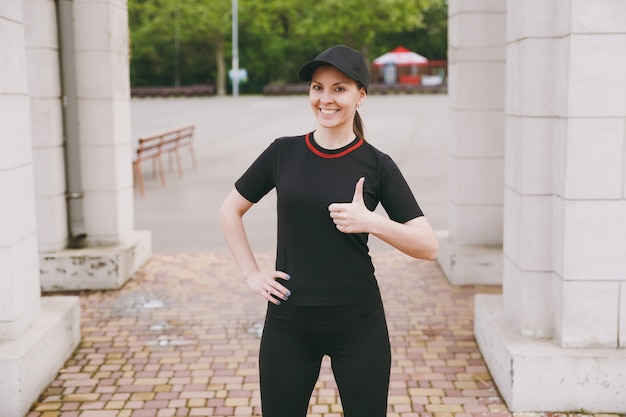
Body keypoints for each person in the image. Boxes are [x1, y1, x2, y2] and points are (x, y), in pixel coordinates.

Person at [219, 44, 438, 417]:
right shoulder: (282, 153)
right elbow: (230, 209)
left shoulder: (377, 164)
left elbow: (428, 246)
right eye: (318, 88)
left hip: (358, 321)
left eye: (339, 88)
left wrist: (371, 222)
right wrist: (251, 274)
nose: (326, 98)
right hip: (289, 321)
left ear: (360, 96)